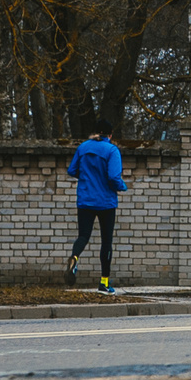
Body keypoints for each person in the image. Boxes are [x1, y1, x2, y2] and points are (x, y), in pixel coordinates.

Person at [66, 117, 126, 292]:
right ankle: (104, 282)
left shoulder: (83, 147)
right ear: (110, 134)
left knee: (83, 235)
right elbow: (114, 177)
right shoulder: (112, 150)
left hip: (85, 200)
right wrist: (123, 187)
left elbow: (72, 170)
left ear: (95, 132)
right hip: (106, 202)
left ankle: (75, 258)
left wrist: (86, 178)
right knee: (106, 241)